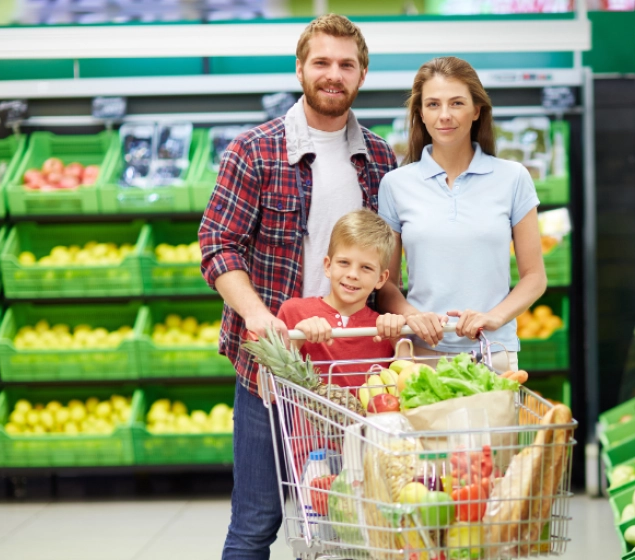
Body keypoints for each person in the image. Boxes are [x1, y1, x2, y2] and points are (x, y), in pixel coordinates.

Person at [198, 14, 397, 560]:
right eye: (322, 63)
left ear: (361, 74)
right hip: (273, 368)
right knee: (257, 522)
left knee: (356, 522)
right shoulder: (255, 150)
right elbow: (218, 244)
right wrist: (261, 319)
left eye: (346, 65)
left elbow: (390, 266)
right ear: (300, 68)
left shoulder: (380, 158)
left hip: (355, 375)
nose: (333, 74)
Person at [375, 56, 547, 371]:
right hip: (422, 355)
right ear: (420, 113)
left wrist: (493, 317)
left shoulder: (513, 177)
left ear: (476, 109)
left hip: (494, 352)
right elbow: (385, 284)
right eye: (433, 104)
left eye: (456, 103)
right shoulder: (396, 185)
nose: (444, 116)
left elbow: (535, 278)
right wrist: (415, 318)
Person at [277, 209, 406, 386]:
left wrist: (398, 339)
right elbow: (267, 390)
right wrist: (296, 340)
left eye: (366, 268)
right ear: (328, 266)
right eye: (344, 263)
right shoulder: (293, 312)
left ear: (381, 278)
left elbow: (406, 389)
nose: (353, 274)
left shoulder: (382, 330)